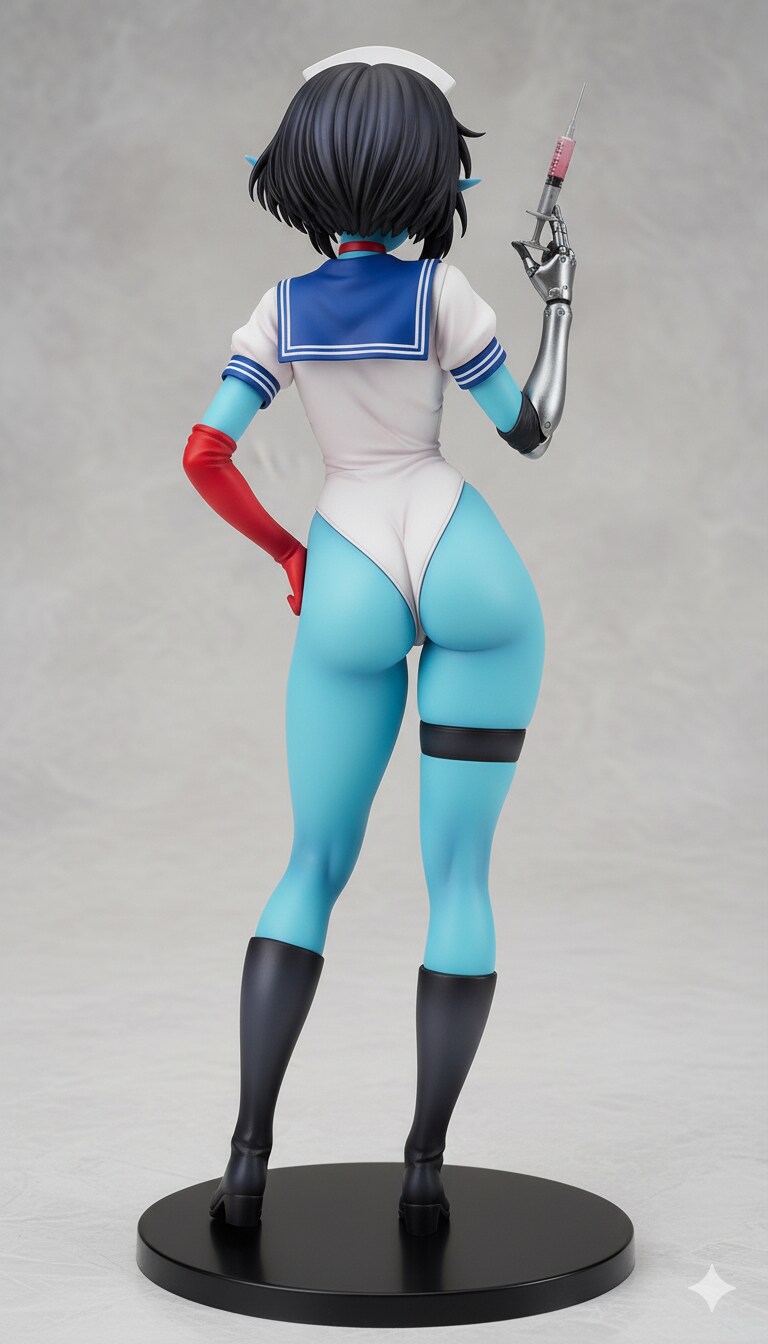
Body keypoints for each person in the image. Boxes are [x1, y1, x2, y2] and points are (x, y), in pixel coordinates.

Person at [182, 49, 575, 1235]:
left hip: (347, 556)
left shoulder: (280, 311)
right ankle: (423, 1171)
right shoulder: (443, 297)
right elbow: (531, 431)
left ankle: (246, 1163)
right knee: (460, 877)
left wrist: (287, 553)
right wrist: (561, 302)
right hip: (463, 557)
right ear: (431, 171)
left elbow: (204, 454)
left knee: (311, 865)